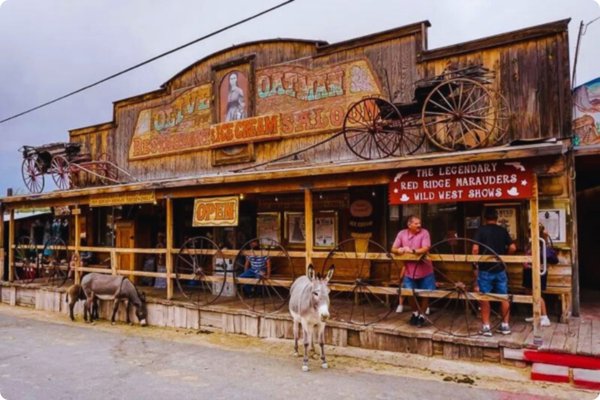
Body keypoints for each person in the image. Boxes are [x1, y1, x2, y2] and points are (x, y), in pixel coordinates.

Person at [472, 208, 516, 336]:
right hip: (500, 269)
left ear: (485, 218)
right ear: (496, 218)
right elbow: (512, 247)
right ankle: (505, 325)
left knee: (485, 297)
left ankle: (486, 327)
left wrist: (475, 263)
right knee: (503, 296)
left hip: (485, 269)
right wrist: (504, 258)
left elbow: (475, 249)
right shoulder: (502, 230)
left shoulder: (481, 230)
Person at [391, 215, 435, 327]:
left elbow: (426, 248)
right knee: (409, 293)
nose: (419, 225)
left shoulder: (425, 233)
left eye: (419, 223)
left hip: (425, 270)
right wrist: (399, 250)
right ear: (409, 225)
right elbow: (393, 248)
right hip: (409, 270)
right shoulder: (402, 234)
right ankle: (415, 313)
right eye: (416, 223)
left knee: (425, 294)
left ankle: (422, 315)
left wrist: (412, 251)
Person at [523, 224, 556, 327]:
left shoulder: (541, 242)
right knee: (529, 292)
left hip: (538, 271)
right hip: (529, 270)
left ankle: (545, 316)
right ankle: (536, 313)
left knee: (537, 293)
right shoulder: (531, 242)